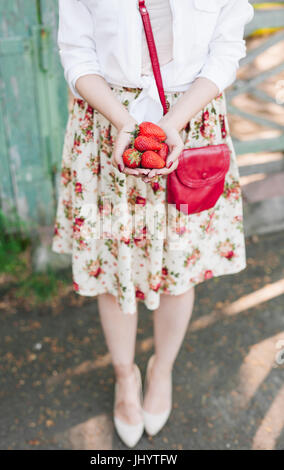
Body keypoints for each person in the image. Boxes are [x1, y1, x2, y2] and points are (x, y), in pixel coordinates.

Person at [52, 0, 254, 448]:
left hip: (190, 120)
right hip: (108, 125)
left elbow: (226, 48)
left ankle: (161, 370)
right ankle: (126, 377)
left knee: (178, 271)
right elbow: (77, 52)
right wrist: (125, 122)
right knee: (111, 270)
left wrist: (171, 125)